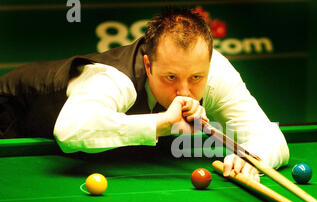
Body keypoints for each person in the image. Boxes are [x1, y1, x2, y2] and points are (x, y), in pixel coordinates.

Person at [0, 7, 289, 182]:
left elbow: (272, 137)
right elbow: (70, 131)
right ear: (148, 65)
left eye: (196, 78)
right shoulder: (113, 78)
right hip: (10, 115)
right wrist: (163, 123)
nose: (185, 90)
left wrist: (253, 158)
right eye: (171, 77)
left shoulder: (216, 72)